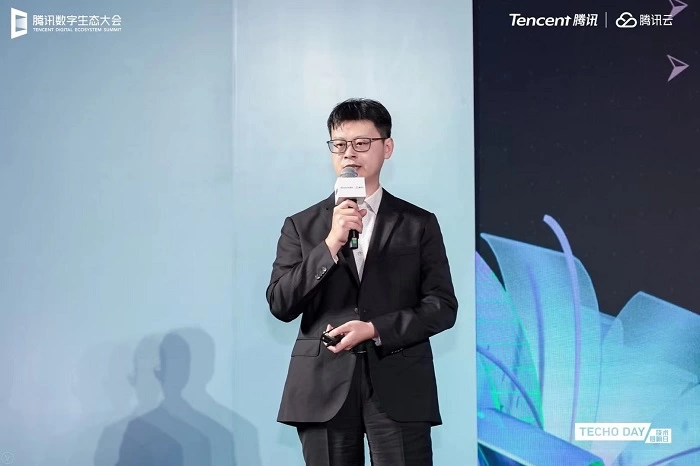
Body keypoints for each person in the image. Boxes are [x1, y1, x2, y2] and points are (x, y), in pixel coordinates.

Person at [266, 98, 458, 466]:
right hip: (323, 386)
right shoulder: (301, 226)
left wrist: (375, 329)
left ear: (387, 147)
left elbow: (442, 307)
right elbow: (280, 303)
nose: (348, 154)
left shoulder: (418, 223)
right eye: (339, 144)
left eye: (361, 143)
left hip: (400, 382)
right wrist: (330, 243)